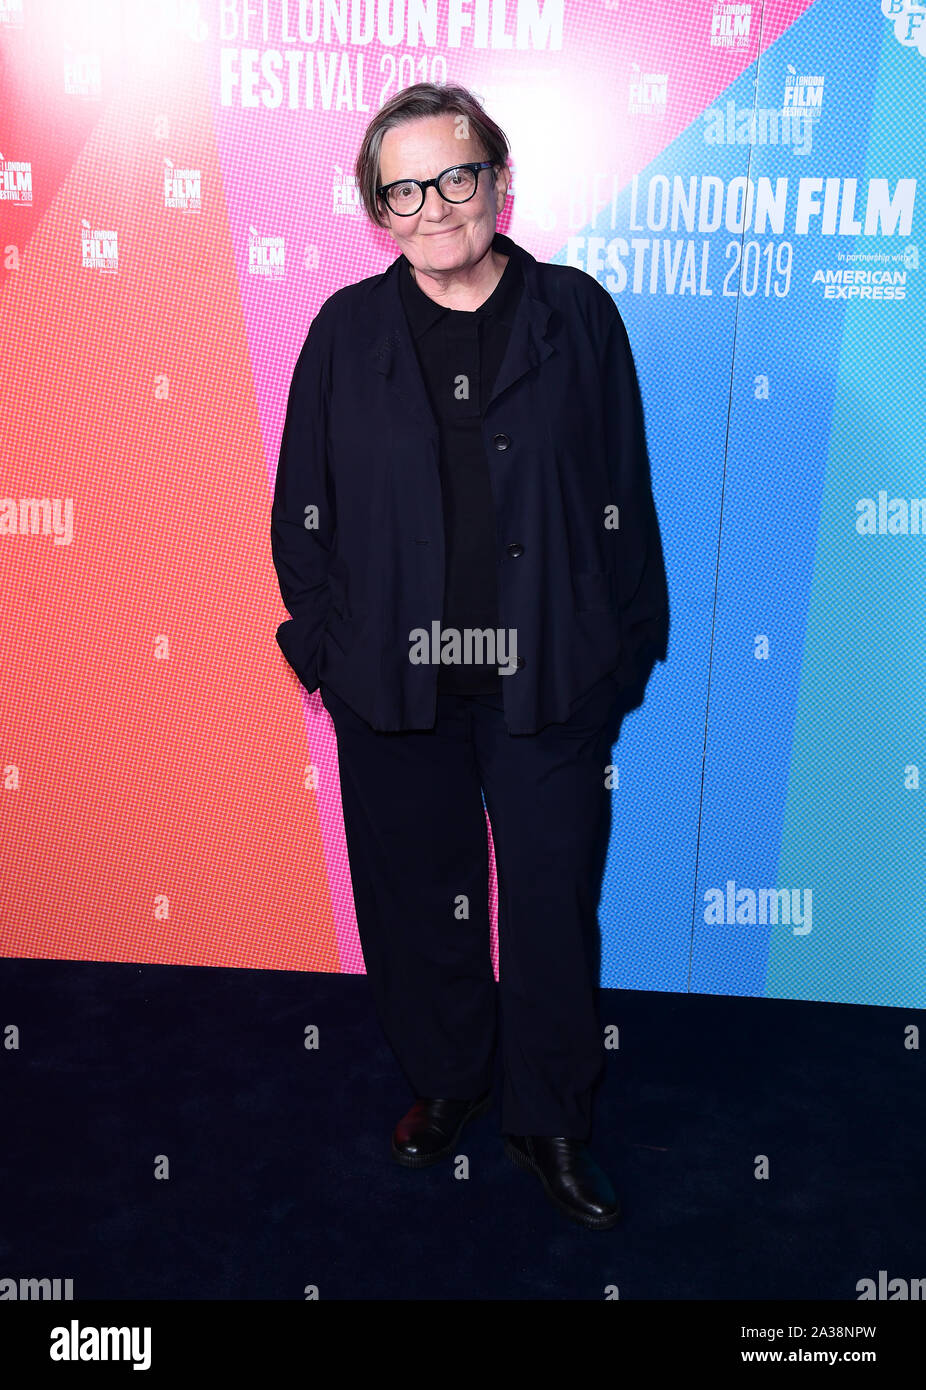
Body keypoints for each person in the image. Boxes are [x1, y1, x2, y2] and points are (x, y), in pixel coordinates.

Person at [271, 83, 669, 1231]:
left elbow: (622, 493)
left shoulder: (577, 315)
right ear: (378, 212)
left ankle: (548, 1118)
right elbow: (303, 508)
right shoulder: (344, 332)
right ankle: (446, 1081)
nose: (436, 205)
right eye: (406, 188)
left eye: (456, 176)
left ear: (497, 181)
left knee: (550, 902)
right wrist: (328, 651)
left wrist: (621, 647)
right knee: (420, 901)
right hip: (393, 681)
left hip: (547, 673)